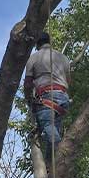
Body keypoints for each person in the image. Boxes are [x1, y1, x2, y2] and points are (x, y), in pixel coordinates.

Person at [23, 31, 71, 160]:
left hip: (47, 97)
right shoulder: (63, 58)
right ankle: (51, 166)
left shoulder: (34, 57)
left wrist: (28, 99)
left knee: (50, 131)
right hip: (63, 98)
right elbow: (68, 80)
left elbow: (28, 83)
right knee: (53, 133)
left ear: (37, 45)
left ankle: (62, 151)